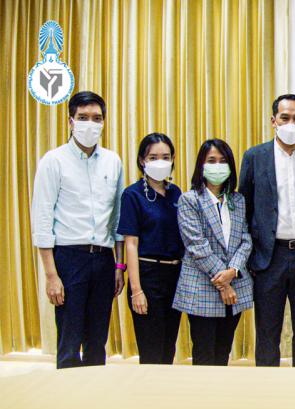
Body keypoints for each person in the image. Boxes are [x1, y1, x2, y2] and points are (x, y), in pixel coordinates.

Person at [31, 91, 125, 369]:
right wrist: (51, 275)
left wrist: (119, 266)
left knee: (97, 341)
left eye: (96, 118)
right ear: (70, 121)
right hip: (69, 258)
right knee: (69, 340)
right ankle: (67, 392)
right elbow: (42, 218)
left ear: (104, 122)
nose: (90, 124)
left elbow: (118, 219)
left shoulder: (113, 161)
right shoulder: (54, 161)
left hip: (104, 259)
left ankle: (95, 392)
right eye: (83, 117)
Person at [239, 94, 295, 367]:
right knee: (267, 332)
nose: (291, 124)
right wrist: (249, 257)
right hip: (269, 257)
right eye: (285, 117)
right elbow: (244, 208)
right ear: (273, 121)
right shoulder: (254, 157)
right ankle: (268, 387)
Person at [173, 139, 254, 365]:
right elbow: (197, 246)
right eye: (211, 161)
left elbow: (246, 239)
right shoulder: (189, 200)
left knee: (223, 352)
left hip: (235, 286)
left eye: (222, 161)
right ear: (201, 165)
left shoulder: (237, 200)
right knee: (204, 354)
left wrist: (233, 270)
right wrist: (224, 283)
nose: (217, 166)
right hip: (202, 287)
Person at [118, 133, 184, 364]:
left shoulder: (176, 193)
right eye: (153, 157)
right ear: (142, 160)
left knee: (168, 347)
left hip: (174, 276)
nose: (160, 162)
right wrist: (136, 290)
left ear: (173, 159)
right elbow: (131, 244)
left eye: (165, 157)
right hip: (147, 275)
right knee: (151, 349)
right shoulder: (132, 195)